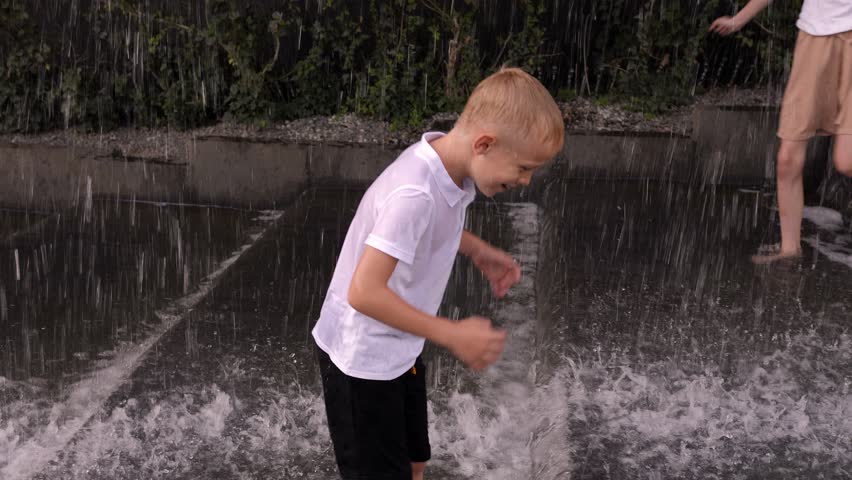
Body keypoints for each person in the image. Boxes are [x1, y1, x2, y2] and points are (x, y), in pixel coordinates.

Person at [311, 67, 564, 480]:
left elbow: (431, 223)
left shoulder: (448, 168)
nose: (526, 180)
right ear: (484, 143)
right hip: (361, 363)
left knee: (415, 460)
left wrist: (477, 249)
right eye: (522, 167)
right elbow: (364, 292)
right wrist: (450, 333)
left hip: (399, 353)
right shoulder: (414, 192)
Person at [710, 0, 852, 264]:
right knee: (787, 159)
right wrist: (739, 20)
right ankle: (789, 249)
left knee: (846, 160)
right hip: (813, 39)